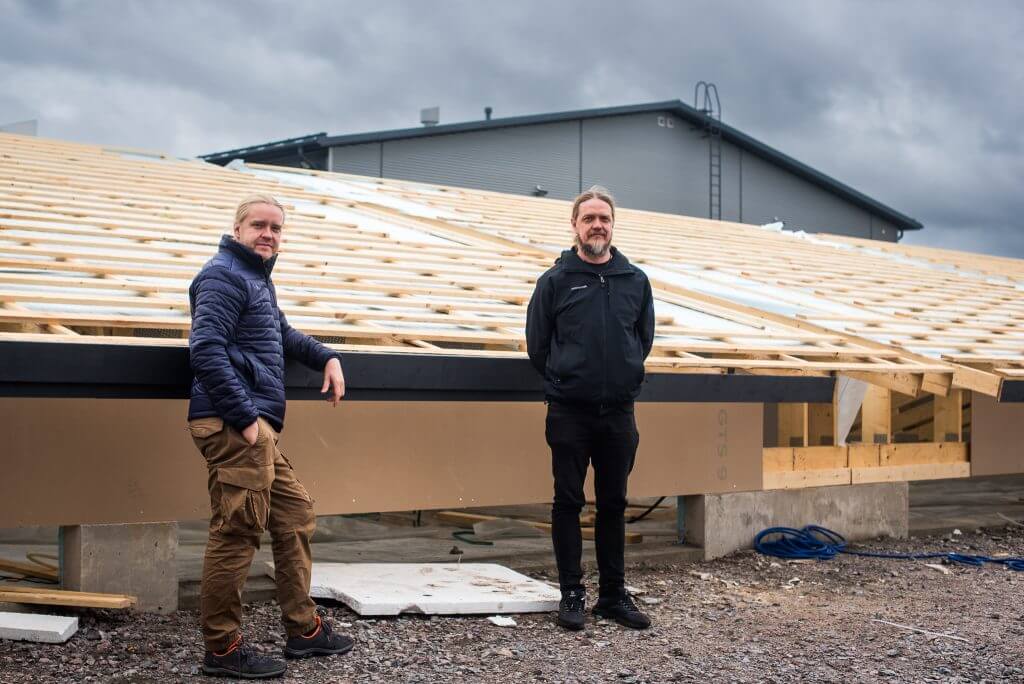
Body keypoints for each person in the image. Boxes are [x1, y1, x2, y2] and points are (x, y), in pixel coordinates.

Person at [187, 194, 352, 678]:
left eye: (276, 228)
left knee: (295, 512)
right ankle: (221, 649)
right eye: (259, 225)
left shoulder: (255, 279)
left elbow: (283, 335)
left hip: (251, 427)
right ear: (237, 229)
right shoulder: (222, 275)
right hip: (234, 423)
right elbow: (205, 350)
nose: (269, 234)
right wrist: (245, 420)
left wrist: (326, 356)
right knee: (236, 531)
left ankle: (304, 630)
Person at [525, 185, 656, 632]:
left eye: (604, 218)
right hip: (569, 412)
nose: (597, 225)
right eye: (589, 218)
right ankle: (572, 593)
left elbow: (644, 340)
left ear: (612, 225)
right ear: (575, 226)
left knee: (615, 503)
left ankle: (613, 596)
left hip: (618, 413)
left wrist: (623, 376)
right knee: (568, 501)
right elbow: (537, 346)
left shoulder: (635, 281)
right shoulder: (555, 281)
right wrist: (567, 380)